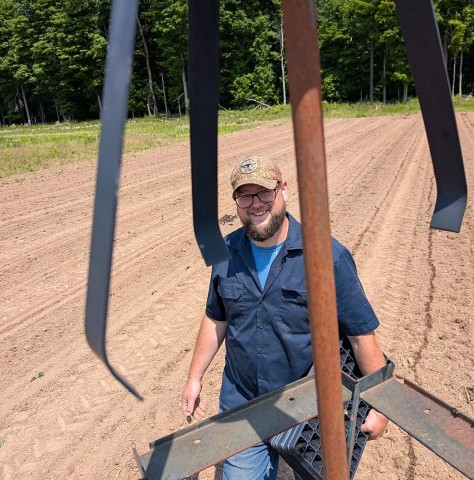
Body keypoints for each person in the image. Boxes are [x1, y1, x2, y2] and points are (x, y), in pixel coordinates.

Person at [181, 156, 388, 479]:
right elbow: (216, 318)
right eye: (245, 196)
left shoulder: (327, 257)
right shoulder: (226, 252)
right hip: (242, 401)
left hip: (306, 407)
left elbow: (361, 337)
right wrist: (194, 378)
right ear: (236, 201)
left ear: (284, 191)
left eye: (265, 192)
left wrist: (379, 404)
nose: (256, 204)